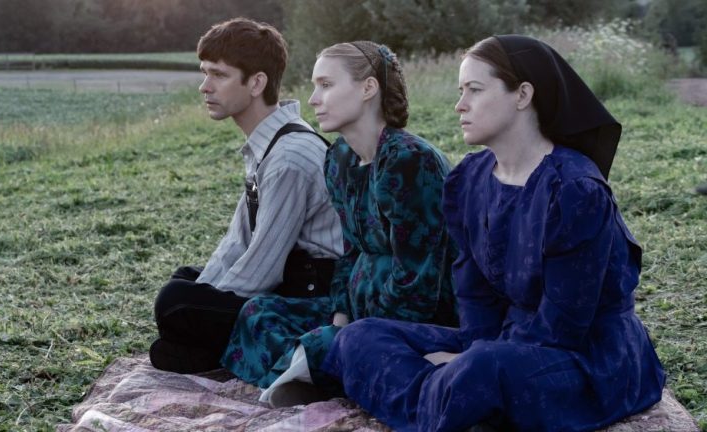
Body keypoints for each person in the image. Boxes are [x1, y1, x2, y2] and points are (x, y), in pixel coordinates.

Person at [323, 35, 666, 431]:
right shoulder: (469, 179)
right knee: (359, 338)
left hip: (585, 359)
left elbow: (563, 327)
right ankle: (452, 405)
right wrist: (468, 352)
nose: (460, 105)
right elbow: (474, 296)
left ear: (522, 95)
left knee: (480, 370)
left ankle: (445, 401)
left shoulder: (573, 190)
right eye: (460, 91)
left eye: (475, 90)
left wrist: (468, 361)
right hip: (500, 344)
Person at [220, 41, 458, 407]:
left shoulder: (409, 161)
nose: (313, 99)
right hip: (359, 310)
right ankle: (323, 371)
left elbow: (420, 280)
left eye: (326, 85)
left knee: (334, 345)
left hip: (415, 318)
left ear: (367, 89)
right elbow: (350, 252)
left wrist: (354, 336)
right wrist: (340, 318)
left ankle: (323, 369)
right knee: (258, 314)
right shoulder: (339, 158)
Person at [149, 18, 343, 374]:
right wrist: (205, 291)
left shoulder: (290, 157)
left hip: (310, 298)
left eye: (219, 75)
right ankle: (211, 348)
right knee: (183, 283)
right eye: (204, 73)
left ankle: (220, 348)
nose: (204, 87)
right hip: (286, 278)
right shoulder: (268, 144)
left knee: (175, 303)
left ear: (256, 83)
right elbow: (238, 241)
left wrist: (201, 306)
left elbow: (261, 269)